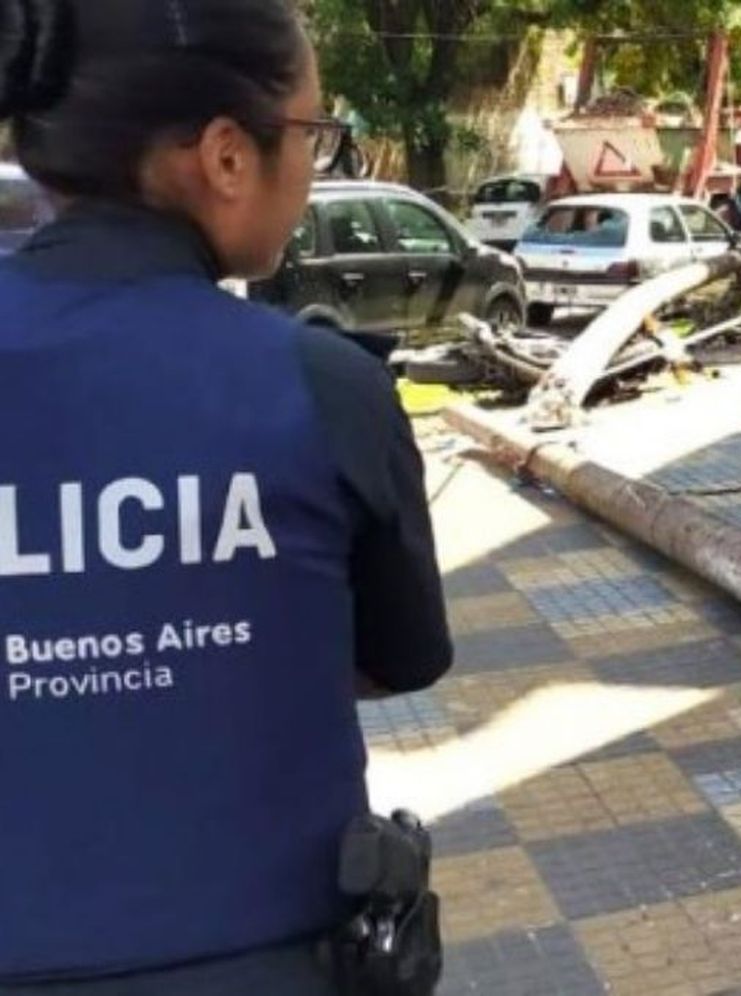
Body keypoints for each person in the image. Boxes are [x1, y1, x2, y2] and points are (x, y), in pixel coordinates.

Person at [0, 0, 452, 992]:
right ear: (225, 156)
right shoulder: (324, 386)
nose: (312, 167)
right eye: (312, 135)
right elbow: (398, 657)